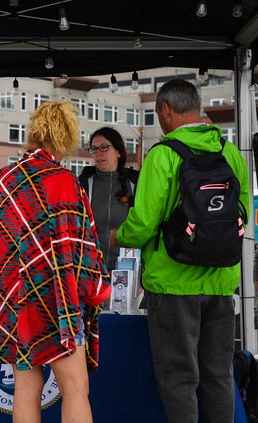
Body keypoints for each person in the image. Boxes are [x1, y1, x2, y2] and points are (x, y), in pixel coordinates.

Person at [110, 78, 250, 423]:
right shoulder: (229, 152)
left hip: (173, 284)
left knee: (179, 378)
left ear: (166, 111)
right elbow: (245, 214)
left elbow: (143, 223)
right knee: (219, 376)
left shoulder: (163, 155)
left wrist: (118, 236)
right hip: (221, 281)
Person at [0, 101, 111, 423]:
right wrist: (97, 290)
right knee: (75, 386)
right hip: (54, 302)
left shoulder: (1, 181)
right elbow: (81, 249)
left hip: (12, 301)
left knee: (26, 386)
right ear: (65, 137)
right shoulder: (65, 183)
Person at [77, 127, 139, 272]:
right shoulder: (84, 184)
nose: (98, 153)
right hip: (91, 271)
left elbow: (143, 225)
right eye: (94, 149)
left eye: (104, 147)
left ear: (118, 151)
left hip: (128, 271)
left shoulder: (136, 183)